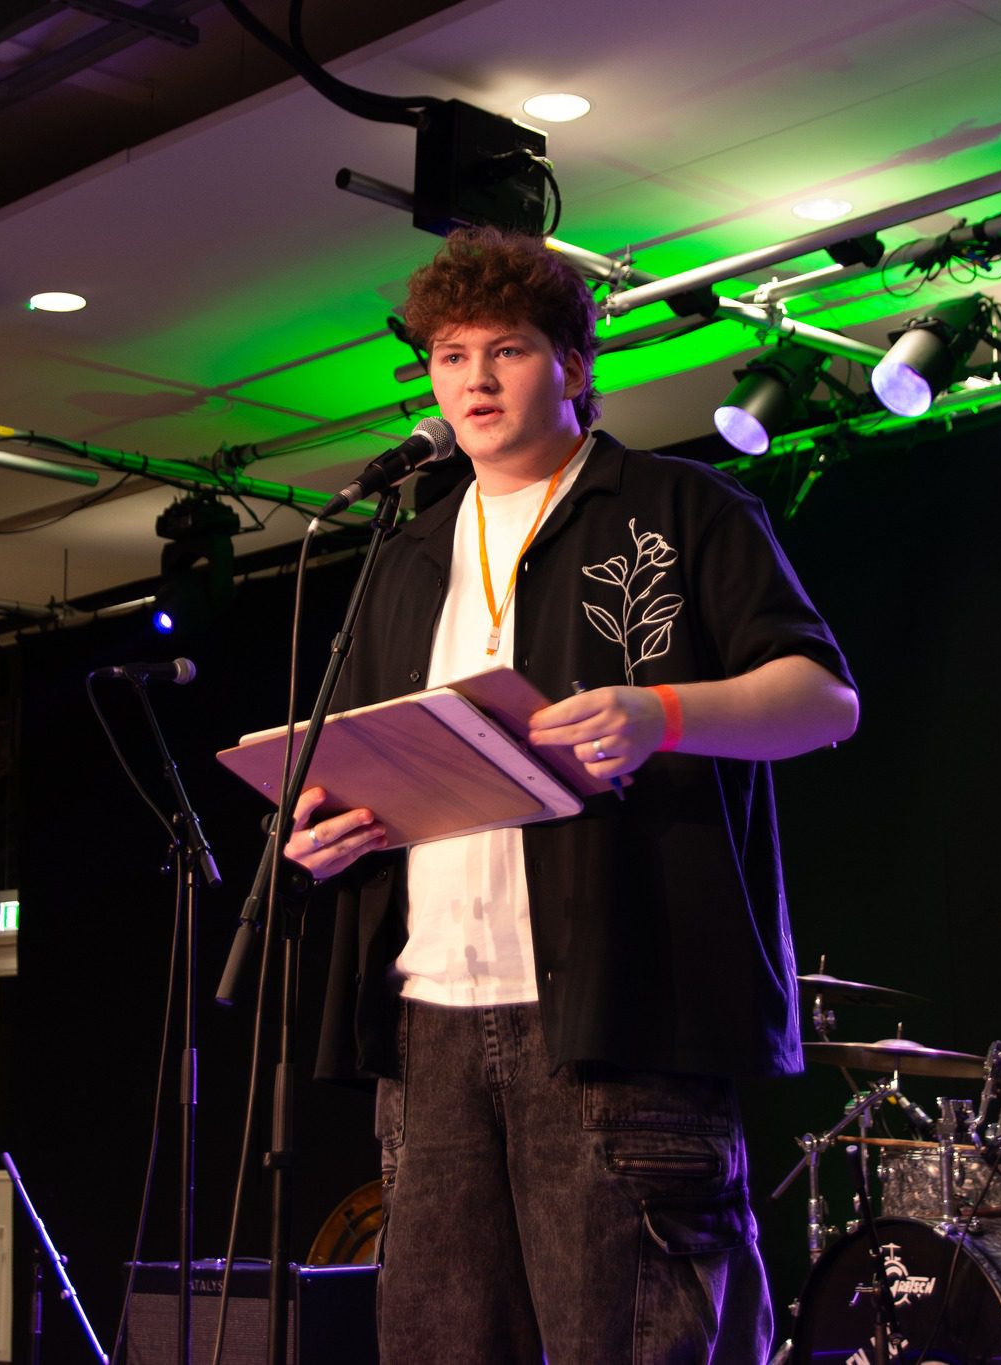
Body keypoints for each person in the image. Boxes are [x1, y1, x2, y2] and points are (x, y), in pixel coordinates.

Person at [287, 226, 858, 1365]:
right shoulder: (403, 556)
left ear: (572, 363)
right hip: (429, 1027)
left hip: (617, 1020)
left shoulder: (682, 508)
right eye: (451, 356)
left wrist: (664, 712)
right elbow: (357, 758)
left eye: (505, 350)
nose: (475, 381)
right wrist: (327, 830)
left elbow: (823, 701)